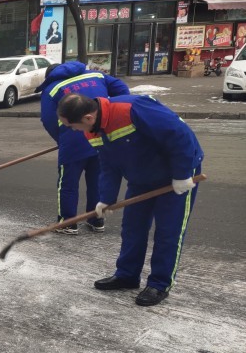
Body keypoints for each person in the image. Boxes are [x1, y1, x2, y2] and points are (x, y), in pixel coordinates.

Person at [56, 93, 204, 307]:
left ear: (88, 117)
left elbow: (179, 135)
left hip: (176, 175)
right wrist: (106, 199)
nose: (72, 130)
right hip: (141, 177)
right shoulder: (92, 130)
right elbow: (108, 164)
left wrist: (182, 174)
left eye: (71, 125)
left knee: (168, 231)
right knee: (132, 227)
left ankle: (159, 284)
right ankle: (127, 275)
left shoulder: (131, 109)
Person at [37, 61, 130, 234]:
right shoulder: (96, 75)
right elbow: (122, 91)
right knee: (96, 180)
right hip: (100, 135)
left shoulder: (52, 89)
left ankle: (67, 223)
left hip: (72, 142)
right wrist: (107, 117)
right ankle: (96, 220)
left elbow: (48, 120)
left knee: (68, 184)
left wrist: (61, 139)